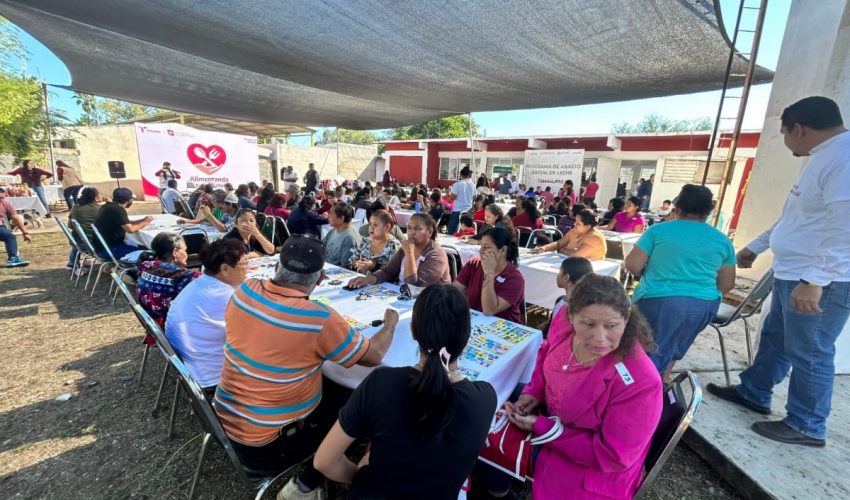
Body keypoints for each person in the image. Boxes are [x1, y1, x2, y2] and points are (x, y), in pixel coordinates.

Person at [707, 96, 850, 447]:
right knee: (776, 339)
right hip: (794, 272)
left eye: (784, 133)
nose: (785, 142)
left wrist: (814, 281)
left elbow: (845, 229)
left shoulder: (844, 158)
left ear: (798, 129)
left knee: (811, 350)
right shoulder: (824, 157)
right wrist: (756, 246)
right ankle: (755, 391)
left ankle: (806, 424)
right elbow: (796, 219)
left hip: (820, 280)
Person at [215, 235, 399, 500]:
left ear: (278, 266)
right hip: (269, 446)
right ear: (320, 278)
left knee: (336, 386)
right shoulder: (318, 317)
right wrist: (390, 322)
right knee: (361, 402)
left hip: (225, 423)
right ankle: (305, 485)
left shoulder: (245, 290)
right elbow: (374, 354)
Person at [486, 274, 661, 499]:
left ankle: (500, 481)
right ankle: (499, 486)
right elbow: (546, 351)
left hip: (588, 467)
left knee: (481, 433)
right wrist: (534, 392)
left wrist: (544, 427)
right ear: (571, 315)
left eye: (612, 325)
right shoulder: (562, 322)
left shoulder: (641, 382)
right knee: (483, 413)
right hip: (551, 417)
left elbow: (613, 456)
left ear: (627, 319)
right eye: (588, 324)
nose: (600, 338)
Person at [314, 285, 497, 499]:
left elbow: (323, 461)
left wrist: (362, 476)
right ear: (466, 338)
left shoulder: (381, 382)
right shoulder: (486, 398)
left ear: (412, 330)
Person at [625, 184, 736, 379]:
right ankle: (660, 381)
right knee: (672, 346)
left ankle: (644, 391)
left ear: (677, 206)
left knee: (644, 352)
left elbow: (633, 265)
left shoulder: (658, 231)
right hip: (703, 304)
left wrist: (651, 272)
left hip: (658, 299)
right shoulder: (722, 240)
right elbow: (726, 285)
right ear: (709, 210)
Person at [165, 239, 247, 391]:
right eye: (244, 264)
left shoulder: (201, 283)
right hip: (213, 375)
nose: (247, 269)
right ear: (225, 269)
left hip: (192, 364)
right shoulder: (226, 296)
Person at [348, 212, 450, 289]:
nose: (411, 232)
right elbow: (388, 271)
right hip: (400, 293)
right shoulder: (405, 248)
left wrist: (409, 253)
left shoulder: (436, 254)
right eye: (409, 228)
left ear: (430, 232)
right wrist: (367, 279)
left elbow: (414, 286)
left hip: (428, 301)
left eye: (417, 229)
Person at [454, 226, 524, 323]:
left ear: (503, 250)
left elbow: (489, 310)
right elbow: (454, 290)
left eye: (486, 247)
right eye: (481, 245)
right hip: (474, 323)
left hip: (502, 329)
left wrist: (489, 273)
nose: (481, 251)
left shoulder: (514, 279)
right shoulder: (474, 263)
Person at [135, 232, 201, 331]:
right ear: (175, 252)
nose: (187, 254)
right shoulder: (182, 277)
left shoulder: (146, 266)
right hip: (174, 329)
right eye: (185, 250)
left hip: (154, 325)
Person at [93, 187, 152, 259]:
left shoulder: (108, 206)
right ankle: (135, 268)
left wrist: (142, 220)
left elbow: (125, 223)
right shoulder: (118, 209)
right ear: (129, 200)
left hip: (101, 247)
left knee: (142, 246)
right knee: (150, 253)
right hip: (109, 250)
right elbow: (130, 230)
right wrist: (146, 222)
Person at [533, 209, 607, 260]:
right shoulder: (574, 231)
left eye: (578, 223)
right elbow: (559, 243)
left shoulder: (595, 237)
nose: (574, 224)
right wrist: (544, 248)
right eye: (575, 221)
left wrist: (562, 250)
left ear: (588, 226)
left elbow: (577, 255)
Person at [350, 209, 400, 275]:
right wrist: (358, 263)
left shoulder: (394, 245)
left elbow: (393, 271)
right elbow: (352, 261)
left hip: (381, 284)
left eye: (375, 225)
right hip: (360, 281)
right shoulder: (365, 241)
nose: (371, 227)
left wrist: (373, 266)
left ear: (387, 227)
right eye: (370, 224)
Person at [550, 256, 594, 322]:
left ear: (566, 277)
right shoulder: (591, 305)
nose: (558, 275)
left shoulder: (569, 307)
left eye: (559, 271)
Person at [67, 187, 103, 268]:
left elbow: (70, 225)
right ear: (96, 197)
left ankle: (72, 262)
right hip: (94, 244)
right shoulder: (100, 209)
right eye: (99, 194)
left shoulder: (75, 207)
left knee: (81, 236)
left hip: (77, 243)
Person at [0, 186, 32, 267]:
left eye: (2, 197)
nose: (1, 198)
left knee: (9, 236)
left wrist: (25, 232)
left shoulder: (5, 204)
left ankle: (13, 258)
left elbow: (15, 217)